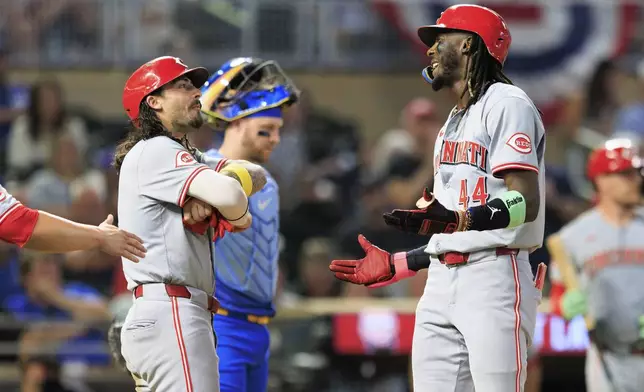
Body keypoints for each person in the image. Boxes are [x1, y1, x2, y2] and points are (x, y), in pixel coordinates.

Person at [328, 5, 547, 392]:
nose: (429, 49)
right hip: (441, 279)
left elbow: (524, 203)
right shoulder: (452, 121)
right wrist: (402, 263)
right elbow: (451, 227)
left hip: (494, 276)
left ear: (468, 45)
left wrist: (460, 220)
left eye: (439, 39)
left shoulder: (507, 103)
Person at [115, 56, 267, 392]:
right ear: (153, 102)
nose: (196, 92)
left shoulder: (184, 157)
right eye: (182, 86)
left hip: (169, 311)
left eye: (194, 85)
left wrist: (218, 194)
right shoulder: (157, 149)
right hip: (171, 311)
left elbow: (256, 175)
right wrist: (236, 213)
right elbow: (230, 196)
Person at [189, 57, 298, 392]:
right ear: (236, 122)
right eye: (267, 129)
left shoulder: (270, 184)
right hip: (221, 324)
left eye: (279, 130)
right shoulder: (201, 170)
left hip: (260, 328)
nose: (276, 139)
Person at [547, 138, 644, 392]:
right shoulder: (572, 237)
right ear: (601, 180)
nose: (636, 180)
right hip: (605, 357)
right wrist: (565, 306)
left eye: (636, 173)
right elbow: (558, 297)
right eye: (626, 174)